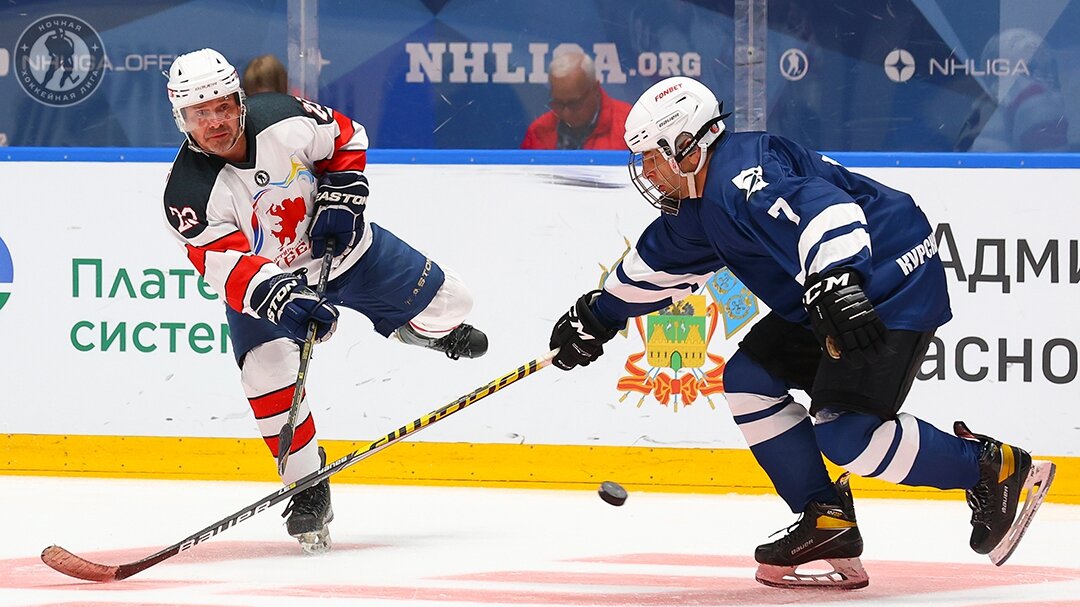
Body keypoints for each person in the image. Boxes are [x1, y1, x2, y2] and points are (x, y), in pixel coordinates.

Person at [546, 76, 1056, 589]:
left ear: (687, 146)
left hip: (889, 276)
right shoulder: (697, 206)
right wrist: (598, 315)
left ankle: (988, 468)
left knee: (846, 435)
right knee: (748, 379)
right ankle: (825, 519)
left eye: (653, 157)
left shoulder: (742, 175)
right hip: (834, 288)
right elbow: (657, 265)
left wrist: (836, 279)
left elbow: (829, 211)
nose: (647, 172)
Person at [162, 48, 488, 554]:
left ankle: (415, 329)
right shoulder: (186, 194)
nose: (215, 122)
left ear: (240, 100)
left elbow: (347, 137)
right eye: (199, 114)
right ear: (181, 118)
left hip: (345, 252)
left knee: (454, 301)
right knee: (265, 376)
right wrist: (281, 299)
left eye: (223, 106)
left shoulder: (285, 117)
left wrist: (342, 190)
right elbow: (227, 267)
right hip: (271, 285)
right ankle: (308, 486)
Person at [520, 49, 631, 150]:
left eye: (574, 104)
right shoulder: (538, 131)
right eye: (559, 104)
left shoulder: (630, 126)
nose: (566, 114)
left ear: (595, 89)